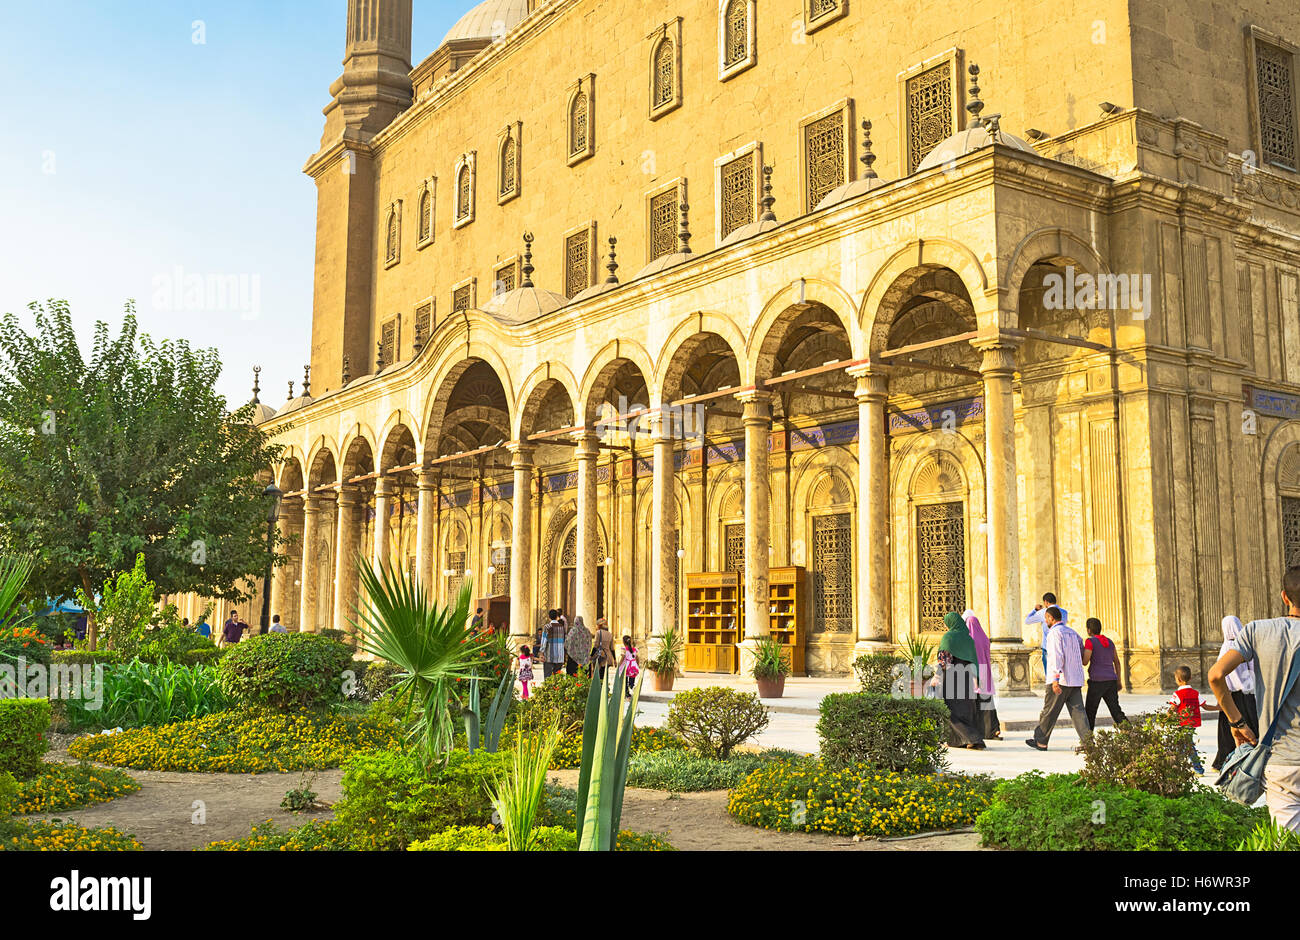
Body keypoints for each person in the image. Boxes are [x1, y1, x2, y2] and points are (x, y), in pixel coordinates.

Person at [1209, 567, 1300, 832]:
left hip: (1281, 762)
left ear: (1285, 597)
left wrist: (1236, 723)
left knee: (1287, 842)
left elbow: (1216, 675)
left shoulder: (1258, 631)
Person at [1026, 606, 1092, 751]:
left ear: (1050, 618)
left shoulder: (1054, 633)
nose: (1045, 622)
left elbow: (1056, 656)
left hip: (1060, 680)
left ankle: (1041, 741)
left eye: (1046, 619)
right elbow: (1082, 650)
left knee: (1049, 711)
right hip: (1075, 679)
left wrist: (1055, 679)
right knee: (1078, 713)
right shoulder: (1073, 633)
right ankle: (1088, 743)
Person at [1211, 615, 1259, 772]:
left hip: (1230, 696)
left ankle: (1223, 762)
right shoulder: (1247, 647)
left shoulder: (1226, 649)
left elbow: (1219, 676)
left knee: (1228, 732)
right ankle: (1252, 760)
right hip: (1248, 694)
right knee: (1252, 727)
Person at [936, 612, 985, 749]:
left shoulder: (949, 637)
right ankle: (958, 740)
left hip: (952, 677)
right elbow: (973, 661)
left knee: (950, 709)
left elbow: (944, 660)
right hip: (967, 677)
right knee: (965, 709)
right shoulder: (968, 639)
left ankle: (973, 738)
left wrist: (937, 675)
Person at [1169, 664, 1218, 774]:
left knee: (1187, 746)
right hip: (1192, 723)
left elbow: (1172, 709)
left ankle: (1198, 769)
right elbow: (1205, 706)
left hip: (1181, 723)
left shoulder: (1177, 694)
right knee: (1183, 745)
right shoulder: (1195, 693)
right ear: (1190, 678)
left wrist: (1165, 719)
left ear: (1178, 679)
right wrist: (1218, 707)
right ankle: (1177, 766)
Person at [1082, 617, 1127, 730]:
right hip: (1111, 681)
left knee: (1090, 713)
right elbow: (1117, 662)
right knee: (1116, 711)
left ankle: (1088, 742)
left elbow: (1085, 661)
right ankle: (1132, 735)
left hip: (1097, 682)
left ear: (1088, 630)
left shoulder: (1090, 641)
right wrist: (1119, 680)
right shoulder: (1110, 642)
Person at [963, 608, 1001, 740]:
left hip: (974, 672)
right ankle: (993, 730)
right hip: (985, 671)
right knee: (987, 702)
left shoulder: (968, 638)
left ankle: (979, 731)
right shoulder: (984, 637)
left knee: (974, 703)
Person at [1025, 592, 1069, 675]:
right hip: (1062, 645)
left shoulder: (1043, 612)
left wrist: (1035, 610)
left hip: (1047, 646)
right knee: (1061, 673)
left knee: (1049, 674)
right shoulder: (1064, 612)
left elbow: (1027, 621)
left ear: (1046, 602)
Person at [541, 610, 566, 679]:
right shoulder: (561, 627)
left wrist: (541, 653)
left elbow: (544, 642)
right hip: (559, 656)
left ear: (549, 617)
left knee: (548, 677)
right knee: (557, 678)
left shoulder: (547, 627)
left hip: (549, 656)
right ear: (557, 616)